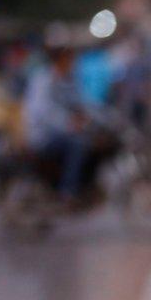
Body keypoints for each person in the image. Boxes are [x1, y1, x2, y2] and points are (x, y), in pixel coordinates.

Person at [22, 46, 94, 204]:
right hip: (42, 135)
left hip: (61, 132)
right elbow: (43, 112)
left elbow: (83, 104)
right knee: (77, 144)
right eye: (70, 60)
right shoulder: (43, 80)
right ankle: (67, 191)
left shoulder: (68, 80)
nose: (73, 64)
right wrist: (69, 123)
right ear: (60, 60)